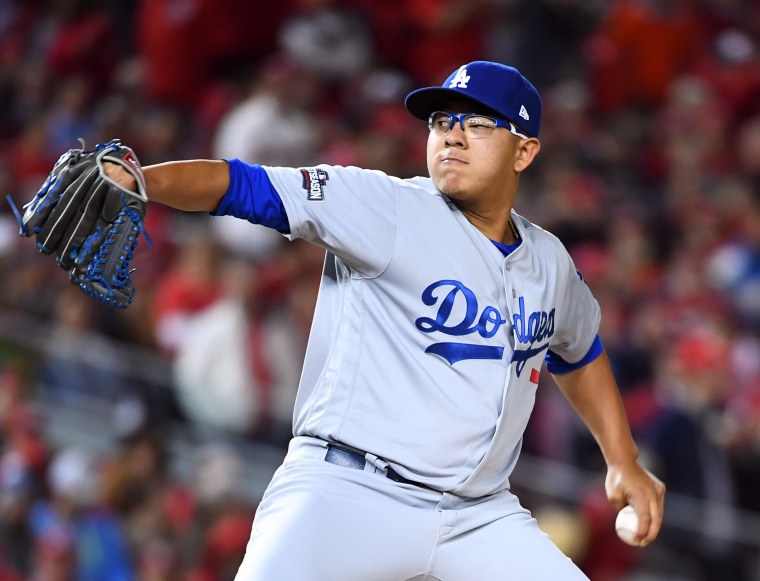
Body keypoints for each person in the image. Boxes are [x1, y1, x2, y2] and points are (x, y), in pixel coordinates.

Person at [105, 60, 666, 580]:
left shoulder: (550, 263)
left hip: (480, 516)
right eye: (443, 121)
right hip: (349, 489)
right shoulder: (384, 206)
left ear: (524, 152)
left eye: (477, 125)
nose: (451, 134)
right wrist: (143, 181)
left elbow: (579, 350)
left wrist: (623, 460)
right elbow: (245, 186)